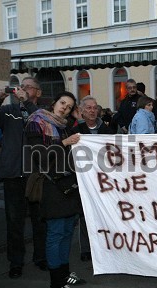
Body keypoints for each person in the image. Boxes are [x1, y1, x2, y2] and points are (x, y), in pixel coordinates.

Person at [25, 91, 85, 288]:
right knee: (56, 233)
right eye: (62, 103)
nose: (64, 108)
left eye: (69, 107)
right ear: (54, 103)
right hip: (51, 186)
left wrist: (77, 121)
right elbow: (39, 155)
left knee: (68, 232)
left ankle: (65, 272)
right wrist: (63, 143)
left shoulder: (65, 126)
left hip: (68, 184)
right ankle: (56, 281)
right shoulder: (36, 122)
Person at [0, 77, 48, 277]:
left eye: (28, 87)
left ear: (38, 92)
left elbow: (41, 123)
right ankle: (16, 261)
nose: (22, 89)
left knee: (40, 220)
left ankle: (40, 257)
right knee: (14, 221)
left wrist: (26, 102)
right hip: (14, 173)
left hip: (36, 174)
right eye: (20, 86)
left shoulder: (41, 112)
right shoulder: (9, 112)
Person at [70, 96, 114, 261]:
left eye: (95, 107)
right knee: (85, 214)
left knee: (105, 212)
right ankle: (87, 249)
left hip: (104, 179)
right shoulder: (76, 131)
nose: (92, 110)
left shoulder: (108, 130)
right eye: (88, 108)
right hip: (84, 179)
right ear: (81, 111)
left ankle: (106, 246)